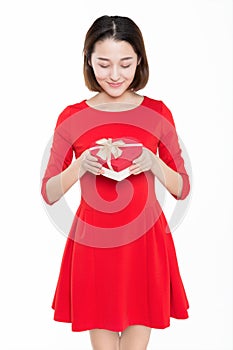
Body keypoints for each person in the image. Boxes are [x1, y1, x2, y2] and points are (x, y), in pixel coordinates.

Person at [41, 15, 191, 350]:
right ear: (88, 61)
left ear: (139, 61)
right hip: (95, 242)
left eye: (125, 63)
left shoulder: (157, 112)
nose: (114, 75)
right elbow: (49, 192)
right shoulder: (72, 116)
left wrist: (154, 163)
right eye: (103, 63)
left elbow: (182, 188)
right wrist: (79, 166)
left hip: (145, 242)